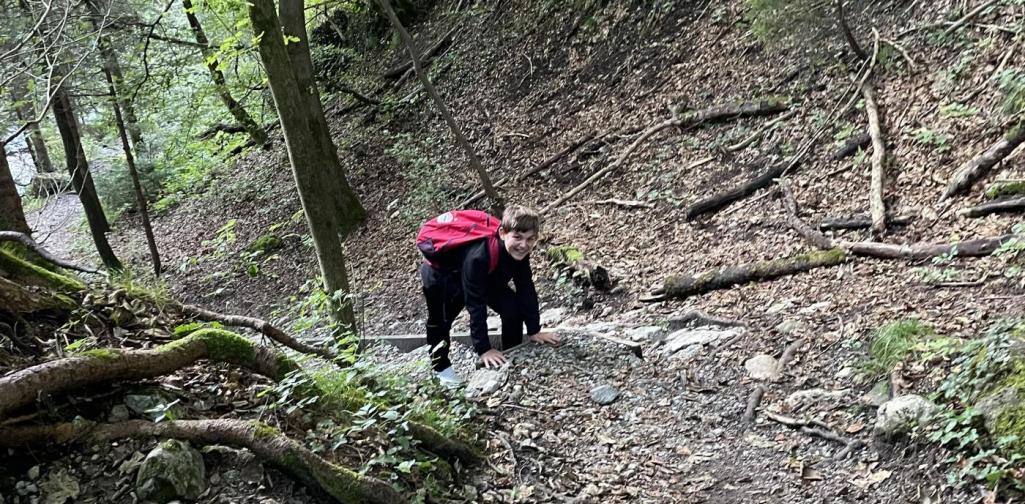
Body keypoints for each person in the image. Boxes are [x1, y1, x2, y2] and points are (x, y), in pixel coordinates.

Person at [419, 205, 560, 385]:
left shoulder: (519, 251)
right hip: (443, 275)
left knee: (512, 308)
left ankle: (512, 352)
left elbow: (526, 286)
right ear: (502, 233)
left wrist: (534, 330)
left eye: (530, 239)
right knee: (441, 321)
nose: (524, 245)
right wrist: (484, 349)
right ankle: (441, 368)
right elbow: (475, 304)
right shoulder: (479, 256)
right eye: (517, 237)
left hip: (488, 273)